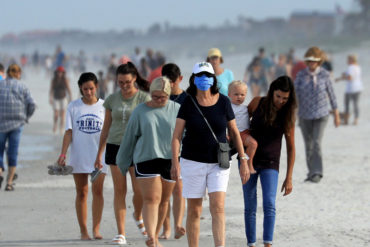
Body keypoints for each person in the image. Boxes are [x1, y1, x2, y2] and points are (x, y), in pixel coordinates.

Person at [171, 62, 250, 247]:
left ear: (213, 78)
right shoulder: (188, 102)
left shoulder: (223, 101)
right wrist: (175, 162)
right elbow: (176, 136)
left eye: (207, 76)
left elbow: (234, 131)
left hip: (218, 162)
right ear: (194, 79)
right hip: (192, 161)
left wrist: (243, 159)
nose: (204, 79)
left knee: (218, 207)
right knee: (194, 210)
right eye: (200, 76)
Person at [117, 76, 180, 247]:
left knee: (164, 200)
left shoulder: (177, 109)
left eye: (163, 97)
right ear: (150, 94)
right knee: (152, 198)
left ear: (168, 95)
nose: (159, 100)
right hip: (146, 157)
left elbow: (186, 136)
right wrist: (122, 162)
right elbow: (129, 137)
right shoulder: (140, 111)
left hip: (170, 160)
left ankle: (156, 236)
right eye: (155, 96)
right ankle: (151, 237)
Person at [94, 62, 150, 245]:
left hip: (137, 148)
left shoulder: (144, 98)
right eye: (120, 82)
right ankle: (121, 233)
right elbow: (106, 127)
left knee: (139, 190)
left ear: (134, 79)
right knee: (120, 190)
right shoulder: (111, 99)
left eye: (127, 82)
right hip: (115, 147)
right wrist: (99, 153)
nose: (124, 86)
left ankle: (137, 213)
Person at [242, 75, 296, 247]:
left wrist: (289, 178)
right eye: (278, 96)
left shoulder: (288, 115)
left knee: (270, 204)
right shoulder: (257, 102)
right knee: (250, 205)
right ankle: (251, 243)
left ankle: (267, 244)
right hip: (249, 158)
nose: (280, 101)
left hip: (271, 162)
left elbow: (291, 148)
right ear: (272, 92)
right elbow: (240, 120)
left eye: (285, 98)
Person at [57, 72, 106, 240]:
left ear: (97, 87)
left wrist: (103, 154)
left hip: (99, 157)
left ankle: (96, 229)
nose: (89, 92)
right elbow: (68, 132)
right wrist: (63, 153)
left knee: (98, 191)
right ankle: (84, 231)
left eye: (91, 88)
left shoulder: (105, 106)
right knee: (82, 192)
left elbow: (108, 133)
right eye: (85, 89)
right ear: (80, 88)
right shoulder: (73, 106)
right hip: (79, 155)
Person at [294, 46, 340, 183]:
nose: (312, 63)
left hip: (321, 114)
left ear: (319, 61)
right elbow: (295, 95)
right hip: (304, 115)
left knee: (316, 142)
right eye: (309, 60)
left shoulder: (325, 74)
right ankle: (311, 172)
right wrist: (292, 113)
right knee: (308, 145)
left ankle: (317, 172)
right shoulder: (301, 75)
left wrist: (336, 115)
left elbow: (332, 95)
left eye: (314, 61)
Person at [159, 63, 187, 240]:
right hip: (161, 149)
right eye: (167, 82)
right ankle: (166, 228)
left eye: (173, 82)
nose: (170, 85)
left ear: (180, 80)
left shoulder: (187, 99)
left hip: (182, 150)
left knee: (178, 189)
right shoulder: (160, 98)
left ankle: (177, 225)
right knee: (164, 192)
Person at [0, 64, 35, 191]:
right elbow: (32, 104)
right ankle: (9, 183)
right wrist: (26, 117)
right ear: (18, 73)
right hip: (17, 123)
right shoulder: (22, 86)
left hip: (0, 123)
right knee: (12, 152)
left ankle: (0, 173)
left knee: (0, 150)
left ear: (8, 73)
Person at [228, 81, 257, 174]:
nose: (239, 97)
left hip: (245, 133)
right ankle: (248, 164)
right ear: (229, 94)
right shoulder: (228, 107)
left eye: (242, 95)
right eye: (236, 94)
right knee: (253, 144)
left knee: (253, 144)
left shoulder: (245, 108)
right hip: (234, 133)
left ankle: (249, 162)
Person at [335, 54, 363, 125]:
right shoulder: (358, 67)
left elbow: (350, 78)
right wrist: (343, 75)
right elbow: (350, 75)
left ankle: (346, 120)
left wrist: (340, 79)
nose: (346, 61)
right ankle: (356, 120)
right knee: (356, 104)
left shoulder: (350, 67)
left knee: (346, 104)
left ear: (351, 60)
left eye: (348, 60)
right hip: (358, 88)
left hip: (350, 89)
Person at [49, 66, 72, 134]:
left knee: (62, 115)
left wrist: (70, 98)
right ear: (56, 73)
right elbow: (51, 89)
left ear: (63, 73)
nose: (59, 73)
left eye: (61, 72)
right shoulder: (54, 80)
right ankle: (55, 124)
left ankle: (61, 128)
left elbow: (68, 89)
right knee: (56, 114)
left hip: (63, 98)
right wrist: (50, 98)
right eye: (58, 72)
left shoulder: (65, 80)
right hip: (56, 98)